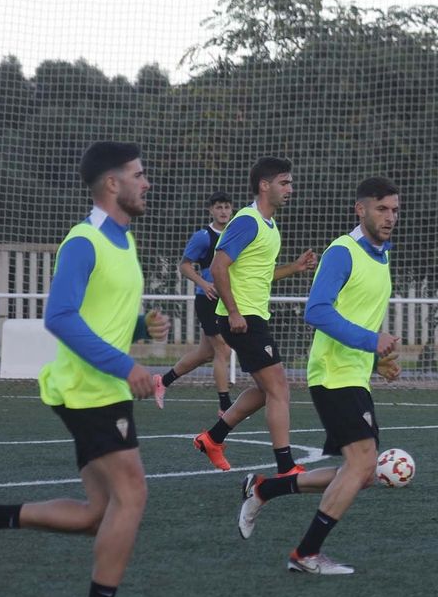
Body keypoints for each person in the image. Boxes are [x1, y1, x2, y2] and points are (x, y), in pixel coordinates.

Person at [0, 142, 170, 597]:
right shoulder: (84, 240)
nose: (147, 182)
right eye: (139, 174)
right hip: (89, 389)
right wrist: (127, 365)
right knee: (132, 494)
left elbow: (99, 312)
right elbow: (60, 317)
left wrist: (141, 324)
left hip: (99, 386)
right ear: (112, 184)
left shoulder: (124, 238)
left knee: (99, 513)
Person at [236, 178, 402, 575]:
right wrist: (371, 341)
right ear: (359, 210)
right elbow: (318, 311)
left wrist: (376, 362)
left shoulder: (381, 256)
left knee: (360, 474)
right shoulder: (342, 251)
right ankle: (305, 554)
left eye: (395, 210)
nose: (390, 217)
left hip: (352, 375)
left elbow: (355, 316)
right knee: (363, 466)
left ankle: (266, 488)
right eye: (382, 209)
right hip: (332, 376)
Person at [191, 156, 317, 474]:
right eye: (284, 183)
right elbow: (219, 266)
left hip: (253, 316)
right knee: (279, 390)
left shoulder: (269, 227)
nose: (291, 188)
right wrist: (233, 312)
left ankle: (213, 438)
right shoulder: (247, 220)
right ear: (265, 185)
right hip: (242, 317)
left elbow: (260, 275)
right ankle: (286, 466)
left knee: (266, 391)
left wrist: (295, 268)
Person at [153, 191, 236, 412]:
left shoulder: (235, 234)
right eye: (218, 207)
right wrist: (204, 283)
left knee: (205, 354)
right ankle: (224, 405)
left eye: (227, 207)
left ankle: (163, 381)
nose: (223, 211)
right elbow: (185, 265)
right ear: (211, 210)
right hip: (207, 299)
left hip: (225, 300)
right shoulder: (203, 236)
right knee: (223, 349)